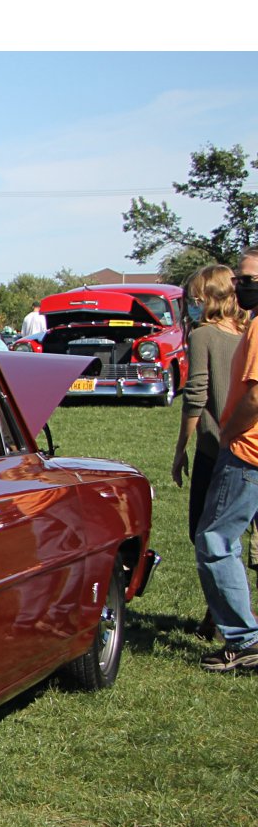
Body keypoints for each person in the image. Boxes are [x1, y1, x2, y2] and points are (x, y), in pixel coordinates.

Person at [173, 265, 250, 639]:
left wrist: (180, 448)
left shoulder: (203, 335)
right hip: (247, 449)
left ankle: (229, 623)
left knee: (207, 536)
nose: (191, 304)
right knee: (234, 535)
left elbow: (196, 395)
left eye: (196, 298)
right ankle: (221, 615)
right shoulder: (246, 331)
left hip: (217, 447)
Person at [193, 247, 258, 670]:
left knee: (215, 540)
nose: (240, 284)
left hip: (249, 452)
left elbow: (255, 394)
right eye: (238, 277)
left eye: (248, 277)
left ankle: (244, 639)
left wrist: (231, 431)